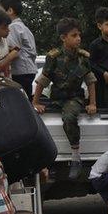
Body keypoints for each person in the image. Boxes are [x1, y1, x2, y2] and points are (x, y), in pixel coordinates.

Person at [33, 18, 98, 180]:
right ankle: (46, 161)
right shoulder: (54, 57)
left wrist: (92, 103)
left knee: (69, 117)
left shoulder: (83, 57)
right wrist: (35, 102)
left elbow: (90, 81)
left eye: (79, 35)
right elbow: (43, 80)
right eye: (74, 35)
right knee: (36, 120)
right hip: (56, 98)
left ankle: (75, 158)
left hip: (74, 98)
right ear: (63, 38)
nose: (78, 38)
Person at [0, 0, 38, 97]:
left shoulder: (12, 27)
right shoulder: (23, 27)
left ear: (10, 10)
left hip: (20, 71)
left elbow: (14, 51)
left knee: (21, 102)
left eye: (0, 11)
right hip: (29, 69)